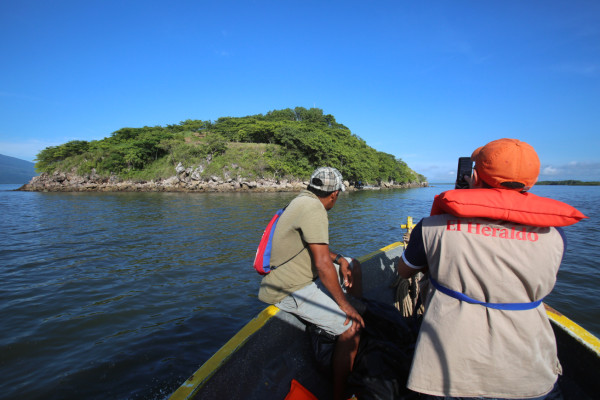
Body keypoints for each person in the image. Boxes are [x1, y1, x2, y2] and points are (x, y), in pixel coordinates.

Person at [396, 138, 585, 399]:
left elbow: (404, 271)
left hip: (445, 372)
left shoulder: (432, 227)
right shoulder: (556, 237)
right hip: (529, 372)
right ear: (531, 183)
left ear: (473, 176)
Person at [258, 166, 365, 400]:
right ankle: (339, 394)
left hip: (298, 275)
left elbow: (316, 250)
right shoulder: (315, 209)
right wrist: (345, 306)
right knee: (351, 327)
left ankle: (352, 322)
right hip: (289, 288)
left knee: (352, 264)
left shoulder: (301, 201)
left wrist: (340, 260)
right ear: (334, 193)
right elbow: (322, 266)